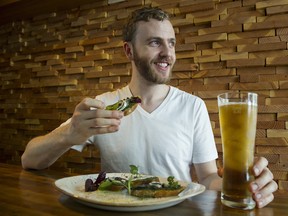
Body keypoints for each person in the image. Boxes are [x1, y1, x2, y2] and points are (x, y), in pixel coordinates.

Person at [21, 7, 277, 208]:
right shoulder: (104, 104)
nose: (168, 53)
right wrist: (70, 134)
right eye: (155, 42)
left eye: (172, 42)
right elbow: (29, 160)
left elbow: (208, 178)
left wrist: (248, 187)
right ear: (129, 51)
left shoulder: (193, 106)